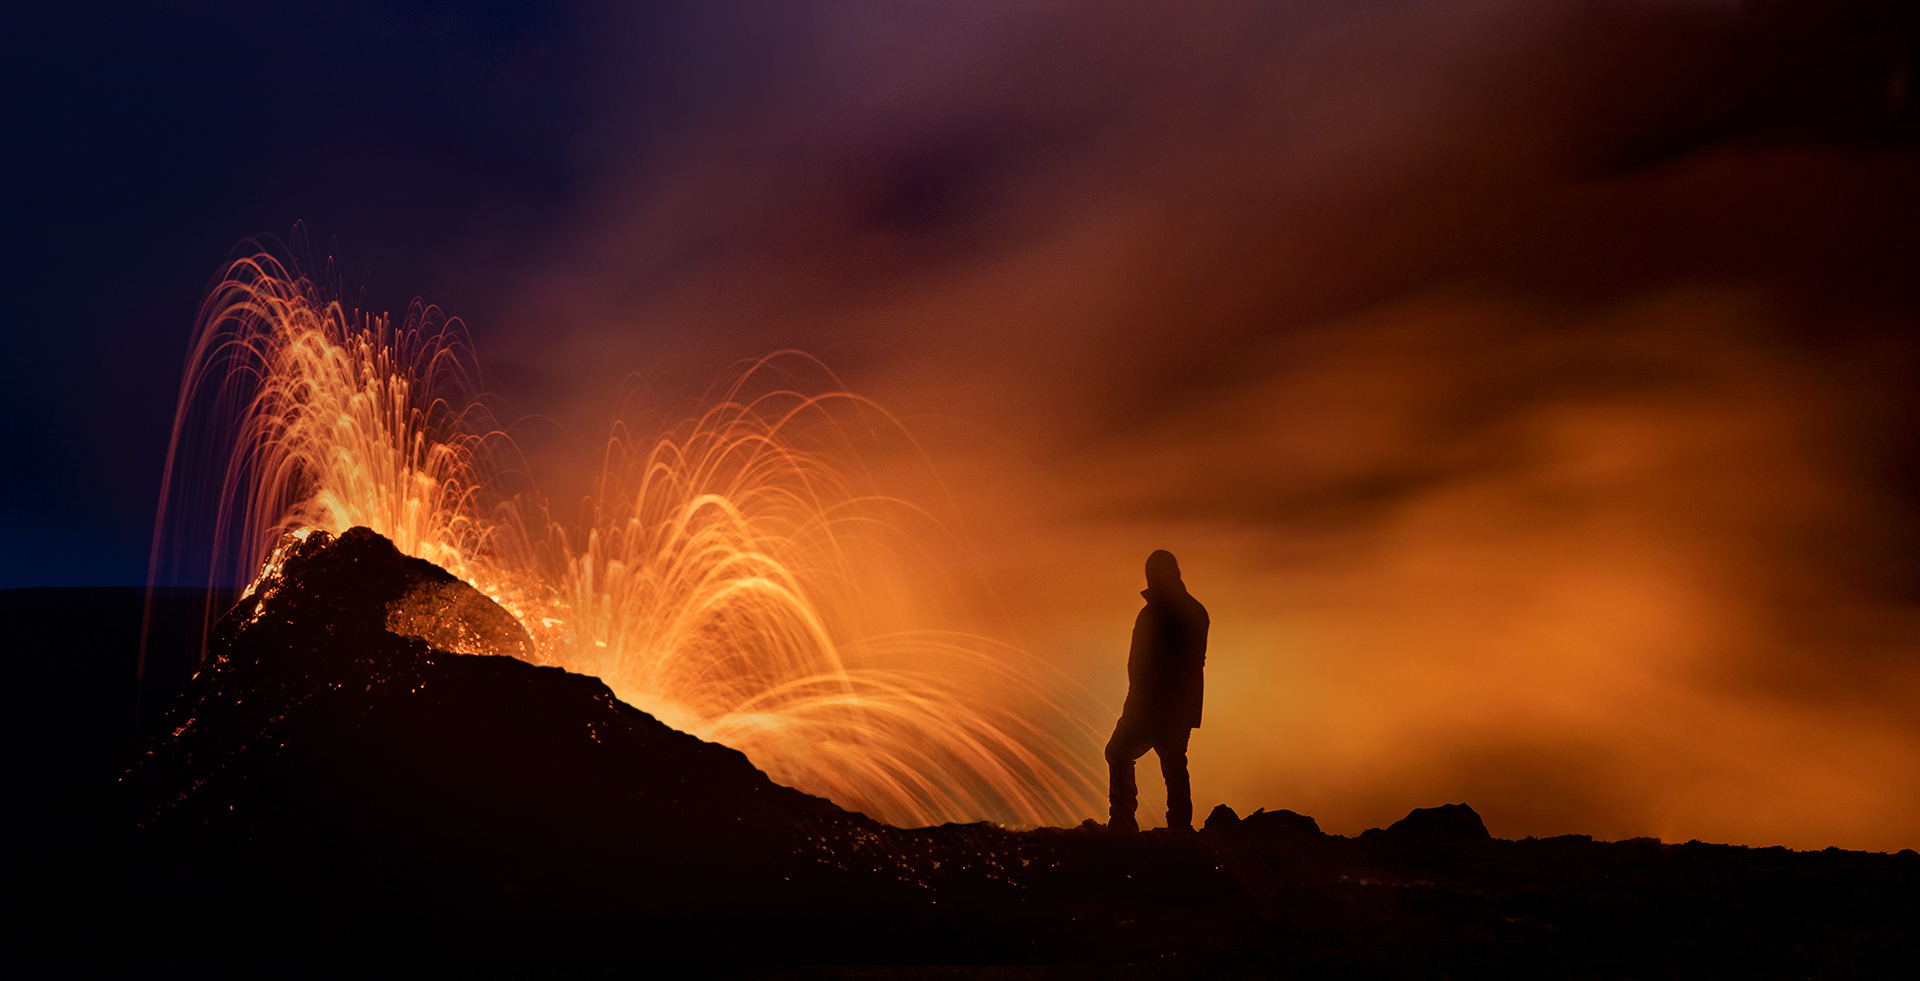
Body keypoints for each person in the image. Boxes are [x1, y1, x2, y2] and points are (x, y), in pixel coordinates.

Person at [1105, 549, 1209, 832]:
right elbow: (1193, 664)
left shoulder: (1154, 614)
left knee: (1119, 752)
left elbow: (1141, 664)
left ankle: (1123, 823)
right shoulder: (1196, 611)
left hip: (1149, 704)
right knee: (1174, 765)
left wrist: (1136, 702)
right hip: (1181, 706)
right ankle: (1179, 829)